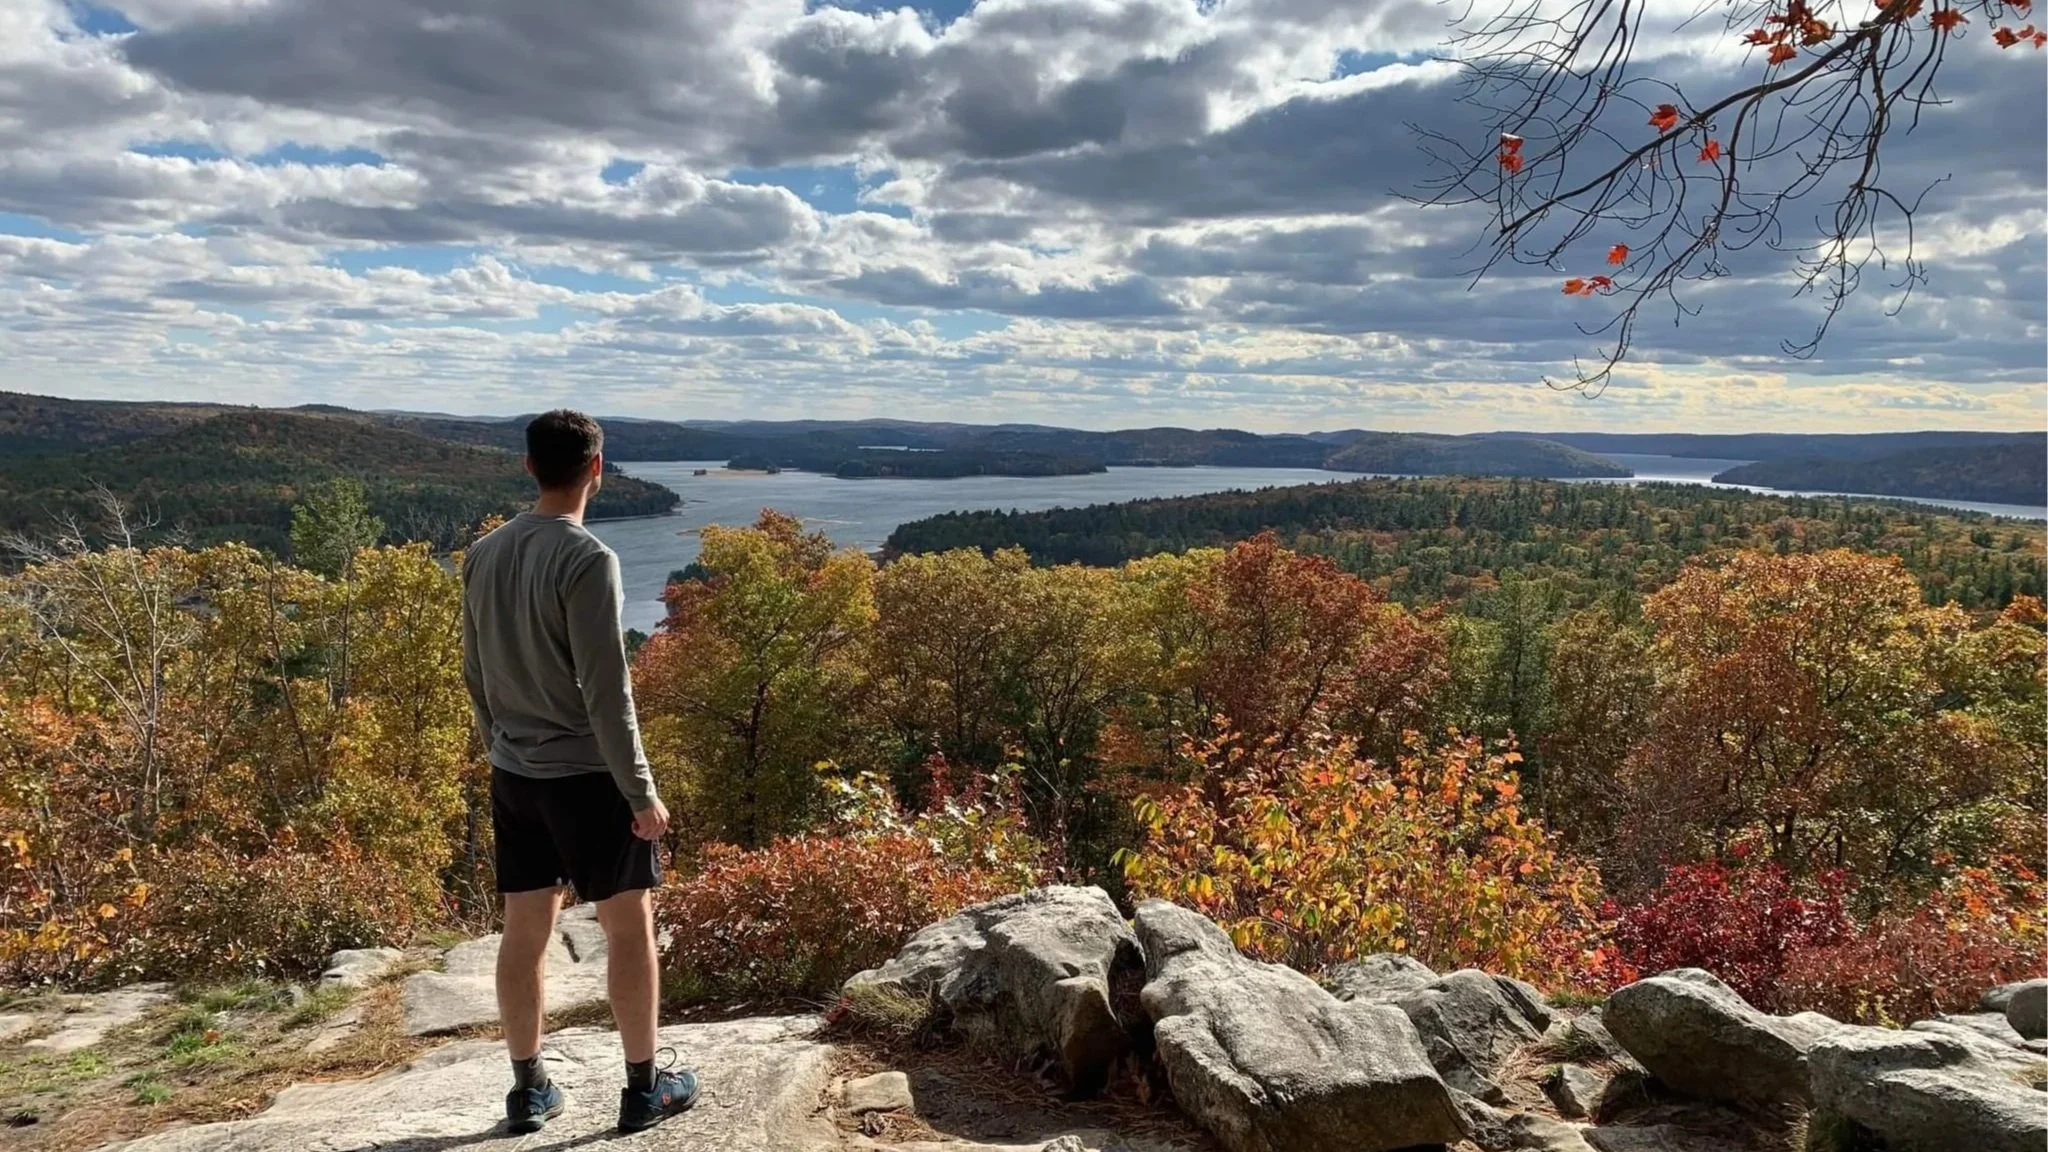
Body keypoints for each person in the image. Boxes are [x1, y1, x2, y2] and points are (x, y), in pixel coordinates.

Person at [459, 409, 698, 1135]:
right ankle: (644, 1089)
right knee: (629, 928)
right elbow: (607, 691)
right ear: (597, 468)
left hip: (515, 774)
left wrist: (501, 747)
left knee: (523, 930)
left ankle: (529, 1090)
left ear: (530, 466)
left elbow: (475, 672)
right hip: (589, 780)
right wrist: (641, 793)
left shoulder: (484, 553)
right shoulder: (589, 558)